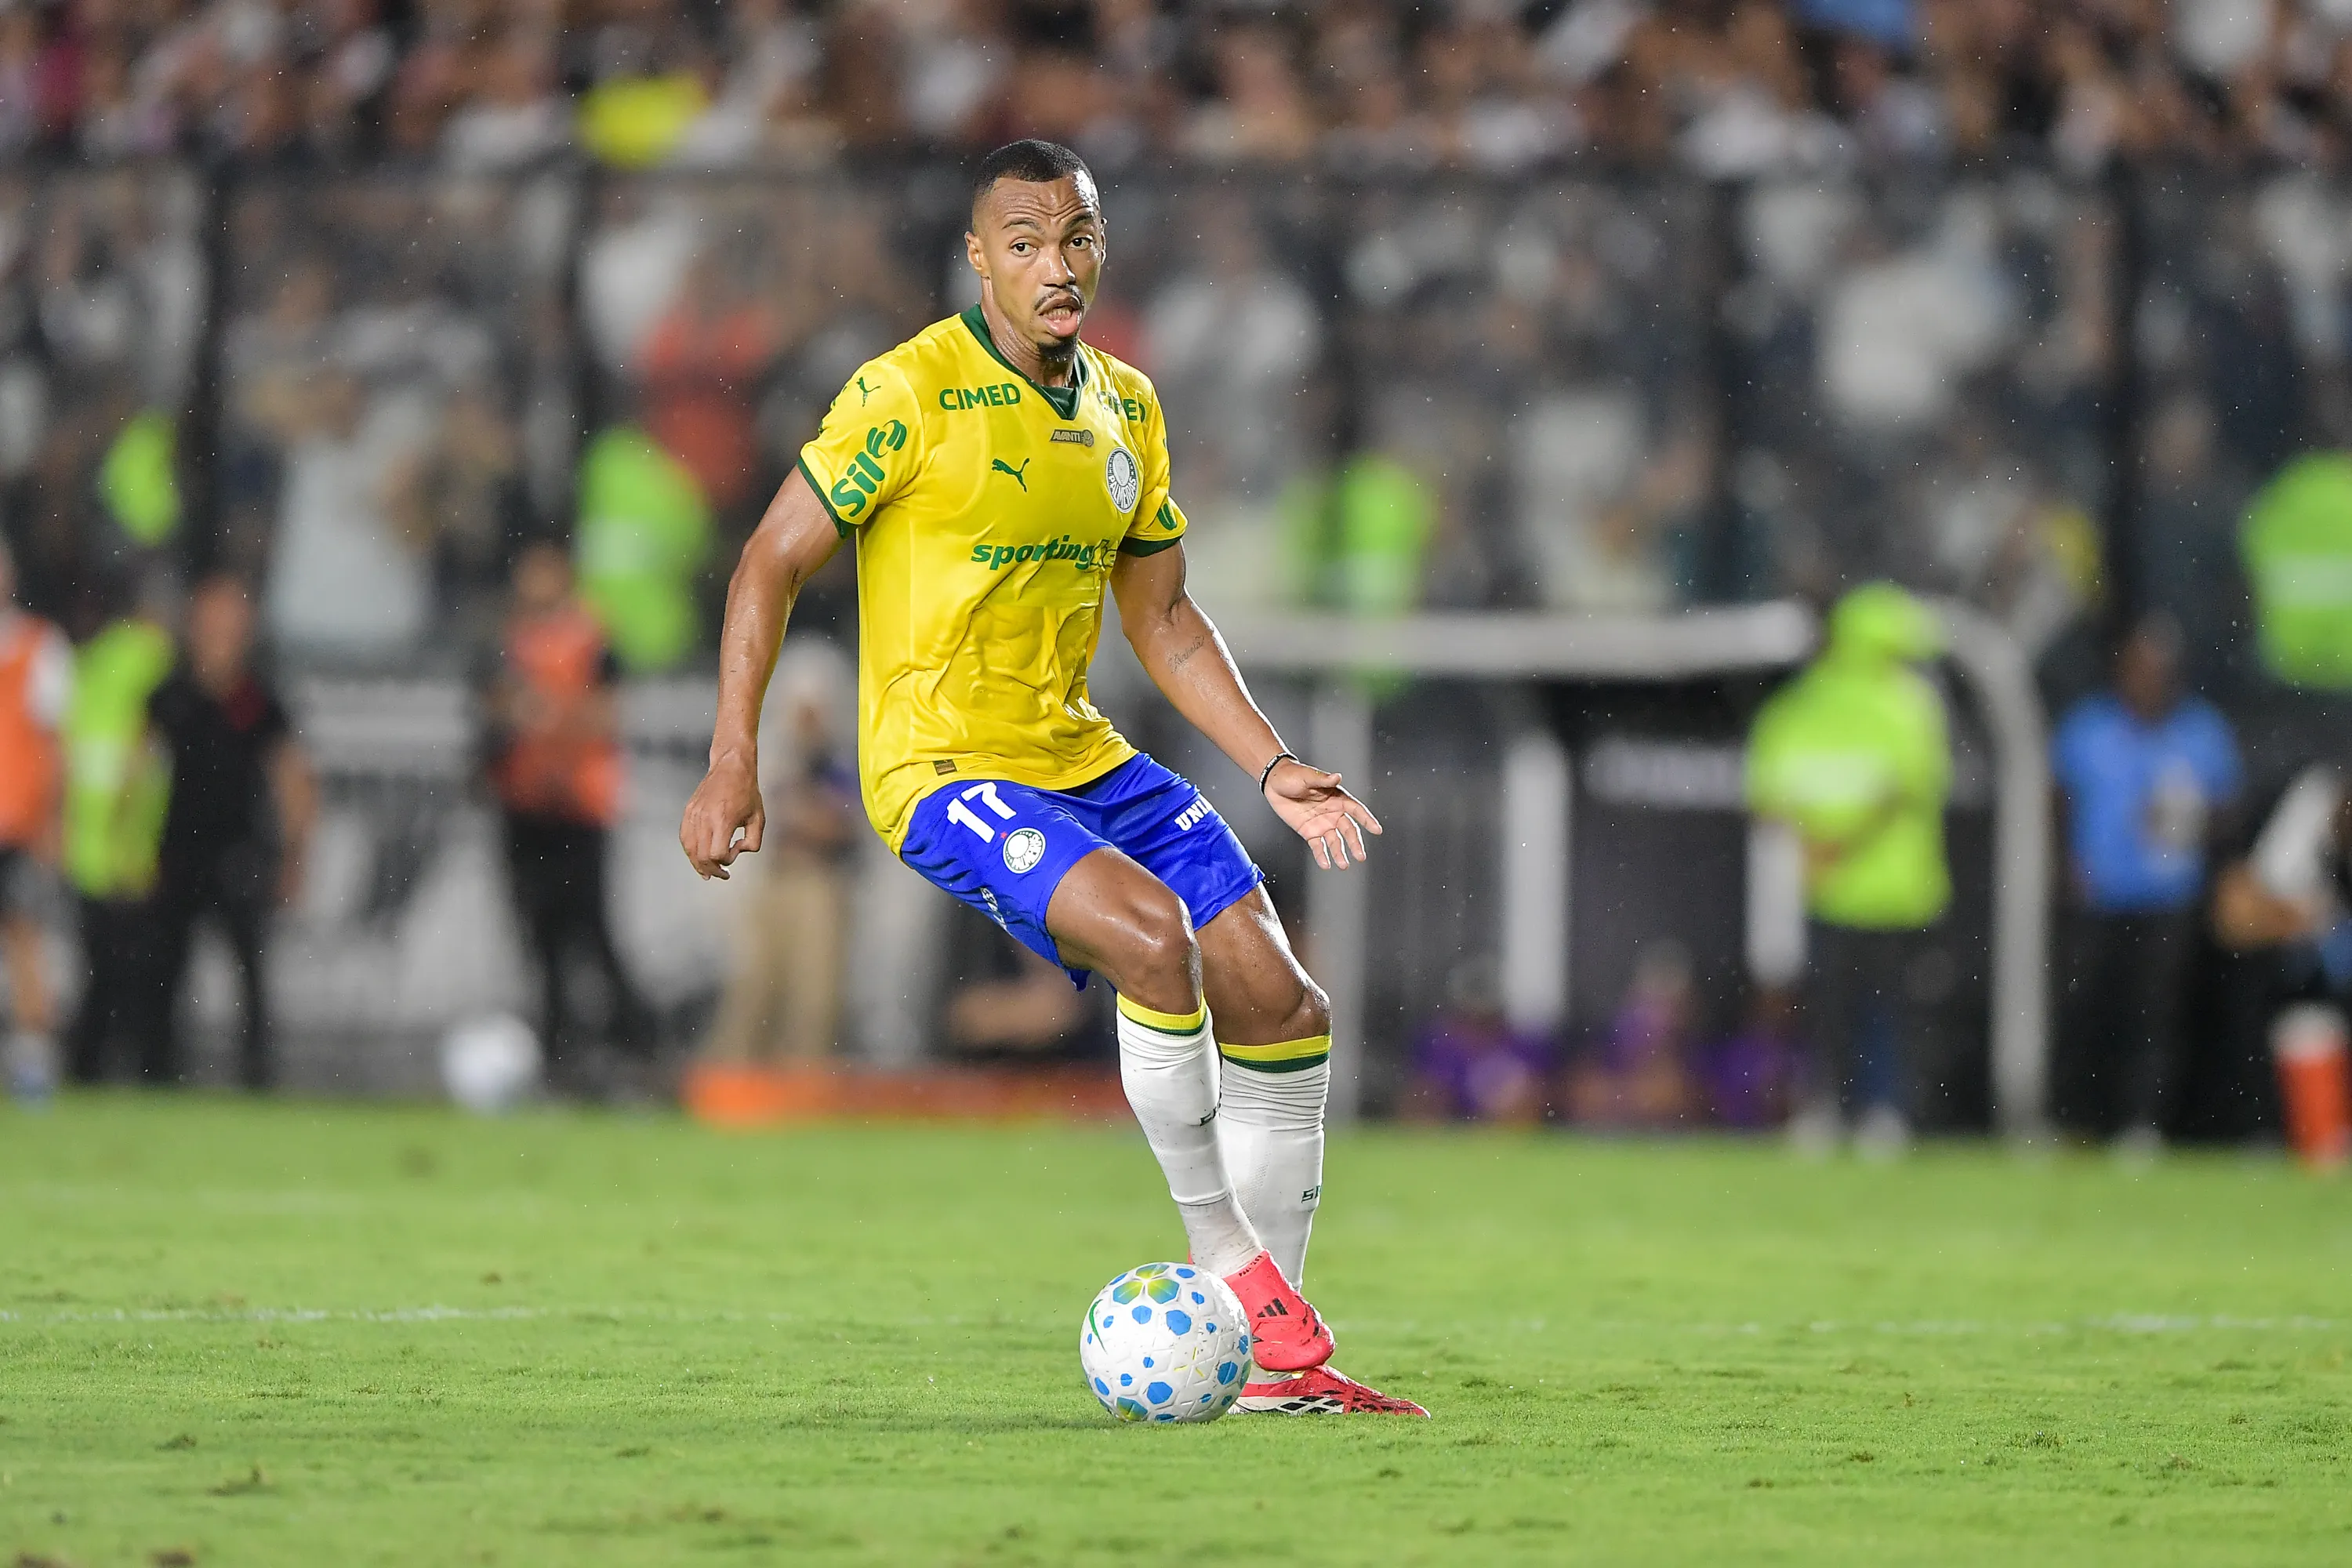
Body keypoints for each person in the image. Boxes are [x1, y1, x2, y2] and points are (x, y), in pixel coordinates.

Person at [680, 140, 1423, 1417]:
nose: (1054, 266)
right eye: (1023, 242)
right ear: (980, 258)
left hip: (1086, 757)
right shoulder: (906, 391)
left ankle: (1268, 1379)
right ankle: (1233, 1271)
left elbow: (1170, 620)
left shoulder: (1126, 406)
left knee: (1279, 995)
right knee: (1151, 939)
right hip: (942, 765)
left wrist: (1275, 764)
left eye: (1075, 238)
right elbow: (767, 561)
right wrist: (730, 759)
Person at [1747, 583, 1952, 1158]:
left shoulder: (1803, 703)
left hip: (1874, 888)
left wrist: (1823, 847)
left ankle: (1872, 1111)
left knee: (1869, 1008)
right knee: (1852, 1008)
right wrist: (1824, 846)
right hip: (1872, 888)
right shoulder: (1904, 705)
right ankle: (1845, 1110)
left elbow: (1777, 792)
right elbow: (1773, 794)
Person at [2051, 615, 2242, 1152]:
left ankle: (2143, 1124)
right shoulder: (2089, 727)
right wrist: (2066, 866)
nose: (2147, 679)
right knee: (2086, 1008)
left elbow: (2227, 813)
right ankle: (2075, 1121)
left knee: (2154, 1017)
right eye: (2138, 668)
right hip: (2100, 894)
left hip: (2168, 896)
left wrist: (2187, 820)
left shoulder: (2200, 732)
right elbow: (2057, 802)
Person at [486, 541, 653, 1091]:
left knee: (591, 932)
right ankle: (563, 1054)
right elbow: (491, 715)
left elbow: (608, 712)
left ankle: (633, 1048)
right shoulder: (507, 641)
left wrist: (550, 721)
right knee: (540, 939)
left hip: (579, 808)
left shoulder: (588, 636)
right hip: (527, 808)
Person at [144, 574, 316, 1090]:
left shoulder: (259, 701)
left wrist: (295, 856)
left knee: (251, 972)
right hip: (177, 851)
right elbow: (138, 772)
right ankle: (159, 1073)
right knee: (166, 968)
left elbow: (293, 780)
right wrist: (130, 848)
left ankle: (257, 1075)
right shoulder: (168, 697)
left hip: (241, 851)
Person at [702, 638, 861, 1066]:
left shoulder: (835, 760)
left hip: (817, 883)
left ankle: (805, 1086)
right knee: (753, 989)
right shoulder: (768, 755)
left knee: (815, 996)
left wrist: (796, 809)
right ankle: (733, 1082)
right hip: (771, 882)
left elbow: (833, 825)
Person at [60, 588, 175, 1086]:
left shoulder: (88, 659)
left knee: (98, 969)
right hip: (128, 842)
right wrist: (132, 841)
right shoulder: (152, 657)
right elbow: (141, 748)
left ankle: (85, 1070)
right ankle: (141, 1072)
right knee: (134, 972)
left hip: (82, 840)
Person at [0, 543, 71, 1100]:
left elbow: (54, 744)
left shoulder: (39, 646)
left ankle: (31, 1063)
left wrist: (54, 824)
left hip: (16, 824)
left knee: (26, 939)